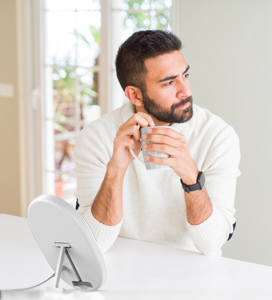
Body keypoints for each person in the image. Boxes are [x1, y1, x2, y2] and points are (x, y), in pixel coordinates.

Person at [74, 30, 240, 256]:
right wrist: (116, 169)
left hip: (192, 271)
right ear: (135, 96)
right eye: (169, 82)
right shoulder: (96, 137)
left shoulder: (217, 136)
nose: (186, 91)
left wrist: (191, 177)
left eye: (185, 76)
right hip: (118, 268)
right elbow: (94, 242)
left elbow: (212, 244)